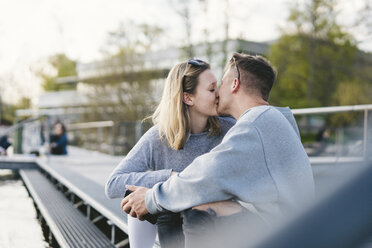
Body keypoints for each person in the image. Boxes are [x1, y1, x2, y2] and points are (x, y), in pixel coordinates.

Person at [121, 53, 315, 247]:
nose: (218, 93)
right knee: (187, 198)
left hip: (285, 235)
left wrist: (150, 198)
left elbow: (206, 177)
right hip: (291, 228)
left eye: (220, 84)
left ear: (234, 84)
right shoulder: (267, 120)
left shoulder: (255, 124)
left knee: (198, 204)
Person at [105, 59, 236, 248]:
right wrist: (171, 176)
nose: (219, 94)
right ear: (188, 98)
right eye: (212, 89)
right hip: (171, 223)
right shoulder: (158, 137)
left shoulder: (231, 130)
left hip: (216, 223)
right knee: (138, 197)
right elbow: (113, 184)